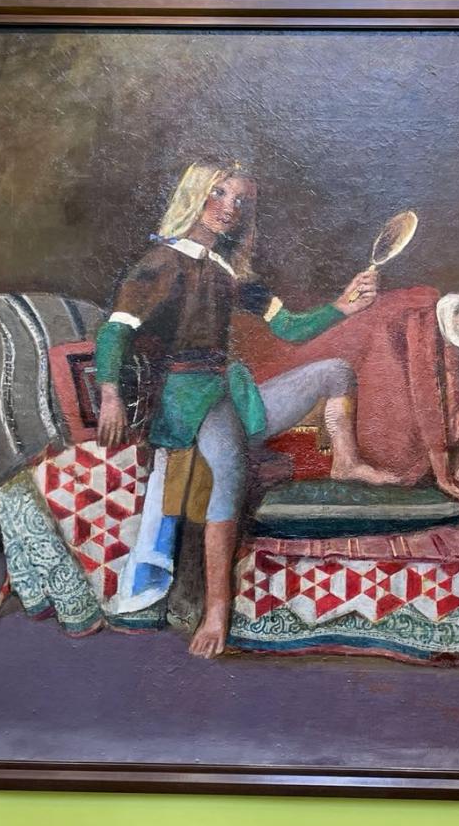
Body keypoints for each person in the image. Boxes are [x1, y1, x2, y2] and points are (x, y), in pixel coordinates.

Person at [95, 160, 395, 657]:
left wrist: (345, 306)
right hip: (188, 398)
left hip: (234, 393)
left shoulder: (231, 273)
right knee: (230, 471)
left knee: (336, 372)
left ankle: (346, 461)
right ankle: (217, 610)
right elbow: (114, 332)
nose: (229, 207)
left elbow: (291, 329)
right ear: (195, 194)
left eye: (240, 200)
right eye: (219, 193)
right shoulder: (162, 262)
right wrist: (109, 394)